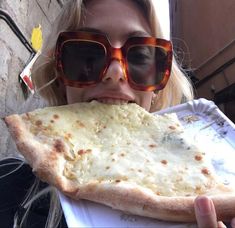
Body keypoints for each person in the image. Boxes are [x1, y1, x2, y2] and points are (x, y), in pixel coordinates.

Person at [0, 0, 234, 227]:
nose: (115, 72)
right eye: (87, 54)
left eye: (139, 55)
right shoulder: (7, 185)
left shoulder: (209, 183)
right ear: (59, 75)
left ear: (157, 87)